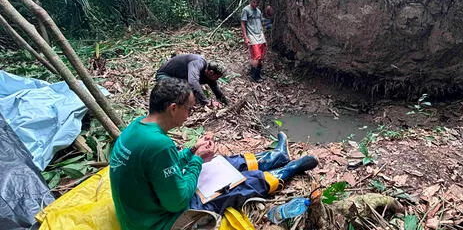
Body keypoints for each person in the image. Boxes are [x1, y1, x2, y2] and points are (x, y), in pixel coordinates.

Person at [110, 78, 318, 230]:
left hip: (143, 210)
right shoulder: (159, 144)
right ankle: (287, 170)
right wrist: (198, 160)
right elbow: (177, 202)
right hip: (160, 222)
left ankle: (275, 157)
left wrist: (192, 151)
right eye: (189, 109)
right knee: (238, 183)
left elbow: (158, 166)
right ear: (173, 108)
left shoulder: (137, 127)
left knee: (221, 163)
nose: (189, 115)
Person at [156, 53, 228, 107]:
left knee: (191, 96)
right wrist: (206, 102)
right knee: (183, 93)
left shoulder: (208, 73)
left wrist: (226, 103)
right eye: (217, 77)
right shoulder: (198, 63)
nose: (218, 79)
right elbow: (193, 82)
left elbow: (215, 88)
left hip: (179, 78)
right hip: (164, 76)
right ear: (211, 72)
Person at [241, 0, 267, 82]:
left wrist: (263, 37)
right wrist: (245, 37)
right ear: (250, 0)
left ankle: (256, 73)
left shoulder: (258, 11)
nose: (255, 3)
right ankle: (254, 76)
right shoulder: (246, 10)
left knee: (261, 56)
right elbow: (243, 23)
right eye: (254, 1)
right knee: (256, 56)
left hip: (260, 35)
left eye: (257, 1)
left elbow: (260, 24)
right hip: (252, 35)